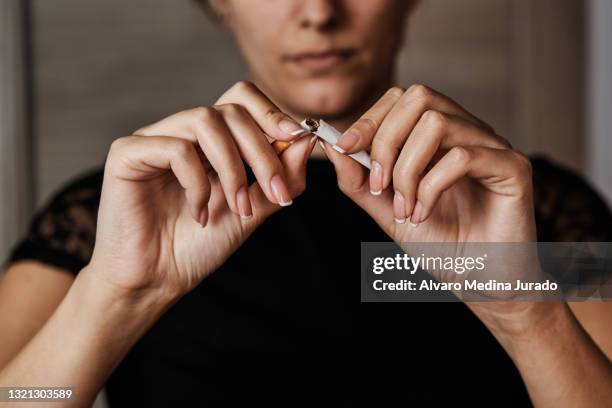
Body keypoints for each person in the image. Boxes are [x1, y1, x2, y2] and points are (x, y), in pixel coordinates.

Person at [1, 0, 611, 406]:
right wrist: (116, 296)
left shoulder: (535, 208)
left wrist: (523, 308)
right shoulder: (110, 217)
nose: (319, 12)